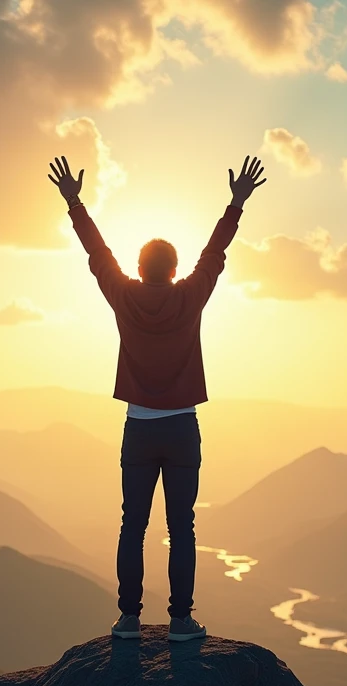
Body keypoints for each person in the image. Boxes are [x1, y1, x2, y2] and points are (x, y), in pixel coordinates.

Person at [48, 154, 267, 641]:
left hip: (139, 428)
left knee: (133, 526)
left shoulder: (123, 297)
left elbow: (98, 254)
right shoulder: (190, 296)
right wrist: (235, 203)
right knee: (182, 529)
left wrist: (74, 202)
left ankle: (128, 619)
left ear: (141, 268)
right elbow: (214, 254)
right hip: (182, 427)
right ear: (172, 270)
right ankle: (181, 622)